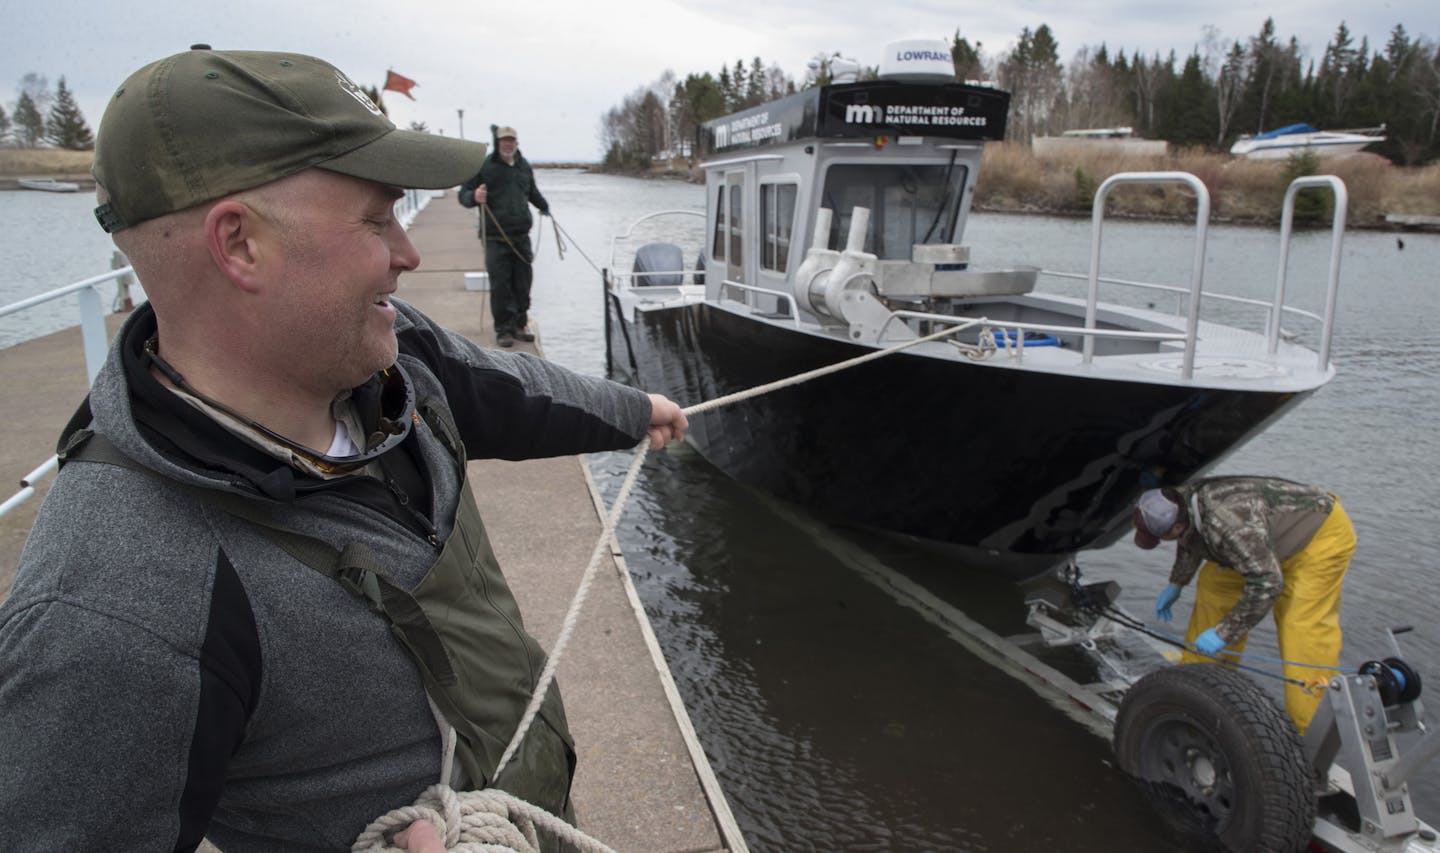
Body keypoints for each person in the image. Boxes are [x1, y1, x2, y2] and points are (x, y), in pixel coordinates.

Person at [0, 47, 687, 852]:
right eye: (376, 217)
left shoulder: (392, 357)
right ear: (240, 243)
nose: (411, 252)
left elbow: (505, 390)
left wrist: (634, 409)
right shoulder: (109, 610)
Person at [1134, 476, 1355, 733]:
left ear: (1177, 525)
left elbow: (1267, 583)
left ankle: (1310, 731)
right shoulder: (1181, 499)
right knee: (1214, 585)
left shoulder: (1229, 526)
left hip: (1316, 537)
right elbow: (1191, 539)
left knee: (1300, 627)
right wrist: (1177, 582)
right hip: (1258, 539)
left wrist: (1223, 633)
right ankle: (1198, 685)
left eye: (1161, 537)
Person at [458, 126, 549, 348]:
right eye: (504, 141)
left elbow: (532, 192)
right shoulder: (485, 166)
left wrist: (544, 206)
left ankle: (519, 324)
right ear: (497, 143)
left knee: (523, 284)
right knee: (501, 286)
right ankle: (503, 329)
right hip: (495, 238)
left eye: (512, 141)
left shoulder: (523, 165)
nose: (508, 144)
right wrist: (474, 196)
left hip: (521, 237)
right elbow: (464, 194)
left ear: (516, 143)